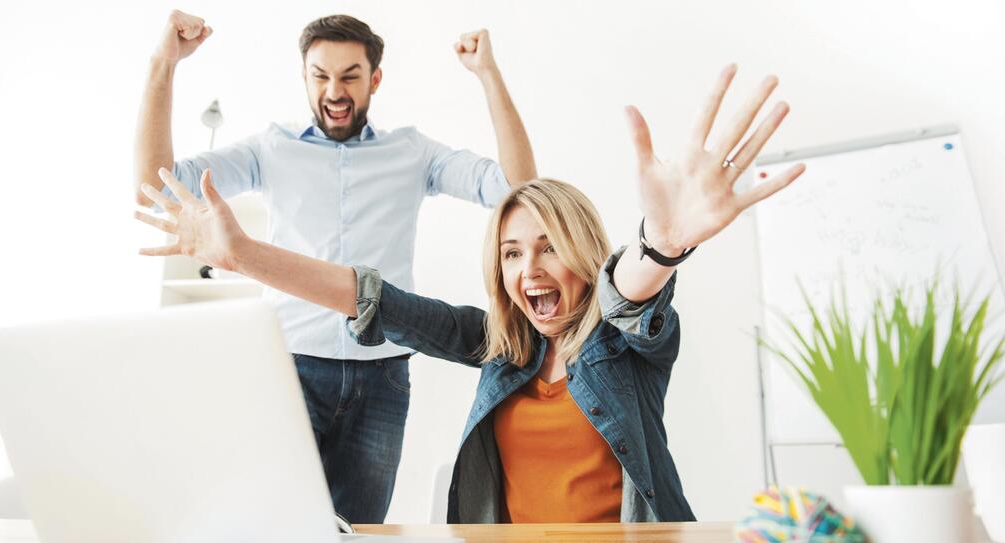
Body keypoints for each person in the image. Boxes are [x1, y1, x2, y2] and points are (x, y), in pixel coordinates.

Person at [136, 64, 805, 523]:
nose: (530, 270)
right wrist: (244, 254)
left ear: (584, 252)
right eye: (513, 253)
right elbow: (371, 298)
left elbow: (627, 294)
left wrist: (662, 244)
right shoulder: (498, 346)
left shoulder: (623, 349)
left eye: (548, 247)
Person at [133, 10, 535, 523]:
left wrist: (488, 75)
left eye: (349, 75)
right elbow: (156, 185)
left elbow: (520, 191)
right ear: (304, 78)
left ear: (375, 79)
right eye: (321, 75)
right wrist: (163, 63)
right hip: (289, 369)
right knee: (274, 527)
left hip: (382, 378)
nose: (335, 90)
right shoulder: (270, 149)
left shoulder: (412, 152)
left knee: (358, 532)